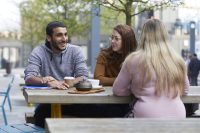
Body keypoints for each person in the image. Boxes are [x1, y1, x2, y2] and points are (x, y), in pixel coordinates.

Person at [113, 19, 189, 118]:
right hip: (177, 115)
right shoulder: (177, 60)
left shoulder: (133, 59)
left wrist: (134, 89)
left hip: (146, 116)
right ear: (165, 36)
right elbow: (185, 90)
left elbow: (118, 90)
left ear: (143, 36)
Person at [24, 21, 88, 127]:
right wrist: (47, 82)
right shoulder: (38, 52)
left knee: (102, 111)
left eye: (65, 34)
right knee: (40, 115)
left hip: (74, 100)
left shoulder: (76, 51)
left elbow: (83, 76)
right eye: (59, 35)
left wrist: (63, 83)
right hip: (49, 103)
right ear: (49, 38)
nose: (64, 39)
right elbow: (29, 77)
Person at [92, 24, 137, 118]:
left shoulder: (135, 58)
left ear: (126, 41)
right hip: (106, 100)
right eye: (112, 38)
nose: (112, 41)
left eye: (116, 38)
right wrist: (123, 81)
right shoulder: (104, 55)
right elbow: (98, 79)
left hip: (129, 102)